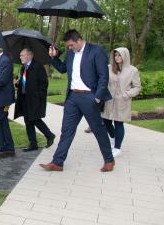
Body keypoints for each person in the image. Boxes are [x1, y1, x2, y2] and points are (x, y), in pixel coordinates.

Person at [41, 29, 115, 172]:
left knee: (98, 129)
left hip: (90, 97)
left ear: (79, 40)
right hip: (72, 98)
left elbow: (103, 76)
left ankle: (109, 160)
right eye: (68, 46)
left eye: (71, 45)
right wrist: (54, 57)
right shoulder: (70, 53)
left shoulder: (97, 51)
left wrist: (98, 97)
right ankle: (57, 163)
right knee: (66, 130)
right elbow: (63, 69)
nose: (69, 48)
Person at [101, 47, 141, 158]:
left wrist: (126, 95)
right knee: (106, 121)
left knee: (118, 123)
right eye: (115, 55)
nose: (117, 57)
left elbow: (137, 87)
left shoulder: (133, 70)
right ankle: (113, 138)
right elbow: (102, 81)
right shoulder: (109, 68)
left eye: (119, 55)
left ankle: (117, 148)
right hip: (108, 100)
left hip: (122, 101)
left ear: (125, 56)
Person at [13, 48, 56, 151]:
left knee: (35, 119)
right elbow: (25, 83)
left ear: (30, 55)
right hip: (24, 99)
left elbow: (44, 84)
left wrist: (39, 97)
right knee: (28, 121)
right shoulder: (24, 68)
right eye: (20, 55)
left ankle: (49, 135)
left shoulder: (37, 67)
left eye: (22, 55)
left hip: (35, 99)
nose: (20, 57)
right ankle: (33, 144)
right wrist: (18, 83)